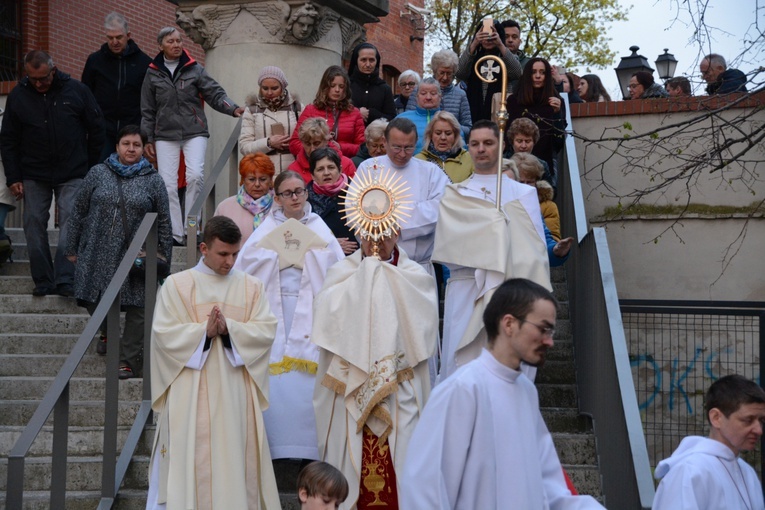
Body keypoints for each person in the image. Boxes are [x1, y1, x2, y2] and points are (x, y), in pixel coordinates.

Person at [401, 278, 604, 509]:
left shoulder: (526, 391)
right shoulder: (462, 390)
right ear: (509, 324)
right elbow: (425, 490)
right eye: (543, 328)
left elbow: (549, 487)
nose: (550, 341)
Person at [147, 215, 280, 509]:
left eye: (235, 253)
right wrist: (202, 333)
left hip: (236, 393)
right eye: (223, 254)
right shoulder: (177, 285)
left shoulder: (252, 286)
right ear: (204, 248)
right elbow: (163, 335)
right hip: (190, 392)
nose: (230, 261)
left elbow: (266, 330)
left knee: (235, 457)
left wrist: (230, 329)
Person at [432, 120, 571, 382]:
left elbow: (533, 252)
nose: (481, 149)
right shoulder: (454, 194)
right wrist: (495, 236)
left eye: (488, 143)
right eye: (475, 144)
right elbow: (451, 251)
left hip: (511, 292)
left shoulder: (523, 195)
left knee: (509, 371)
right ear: (468, 147)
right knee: (462, 371)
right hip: (467, 291)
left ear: (502, 145)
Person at [313, 227, 439, 509]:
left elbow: (424, 326)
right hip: (351, 387)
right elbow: (324, 318)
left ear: (398, 232)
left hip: (399, 389)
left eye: (385, 234)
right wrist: (364, 279)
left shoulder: (415, 276)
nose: (377, 242)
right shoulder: (341, 272)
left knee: (404, 463)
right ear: (358, 233)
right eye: (370, 234)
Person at [234, 171, 344, 461]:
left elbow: (338, 268)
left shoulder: (318, 225)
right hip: (275, 308)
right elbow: (247, 265)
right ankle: (275, 447)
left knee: (308, 386)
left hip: (312, 311)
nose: (294, 198)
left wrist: (308, 257)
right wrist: (277, 258)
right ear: (277, 197)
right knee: (278, 385)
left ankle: (310, 449)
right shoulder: (268, 226)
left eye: (299, 191)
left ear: (307, 192)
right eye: (287, 193)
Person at [65, 124, 171, 378]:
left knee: (138, 308)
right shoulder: (97, 173)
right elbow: (78, 210)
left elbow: (164, 221)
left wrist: (163, 257)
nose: (131, 149)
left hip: (136, 255)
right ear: (117, 147)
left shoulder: (154, 180)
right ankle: (108, 333)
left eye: (136, 145)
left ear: (144, 149)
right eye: (126, 144)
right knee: (93, 299)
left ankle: (128, 361)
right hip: (96, 251)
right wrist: (72, 247)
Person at [0, 50, 104, 297]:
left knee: (72, 222)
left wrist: (91, 169)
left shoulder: (77, 91)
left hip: (74, 170)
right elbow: (8, 140)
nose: (38, 83)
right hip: (33, 172)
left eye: (43, 78)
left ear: (53, 71)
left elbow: (97, 130)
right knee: (33, 222)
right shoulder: (18, 95)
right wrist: (13, 177)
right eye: (32, 78)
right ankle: (43, 280)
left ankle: (66, 277)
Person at [141, 27, 244, 246]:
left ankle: (192, 228)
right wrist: (148, 139)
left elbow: (215, 93)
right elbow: (147, 109)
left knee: (195, 175)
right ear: (161, 46)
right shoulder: (152, 73)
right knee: (167, 185)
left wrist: (233, 108)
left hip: (194, 131)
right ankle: (176, 234)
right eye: (171, 41)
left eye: (179, 40)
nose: (177, 44)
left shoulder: (194, 69)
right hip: (164, 134)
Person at [653, 374, 765, 510]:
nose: (759, 430)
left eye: (761, 420)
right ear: (716, 418)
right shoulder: (690, 471)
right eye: (748, 420)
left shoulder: (747, 472)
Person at [355, 117, 448, 274]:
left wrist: (391, 218)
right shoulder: (368, 168)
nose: (403, 154)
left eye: (409, 148)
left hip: (419, 266)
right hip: (378, 264)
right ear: (385, 142)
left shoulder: (430, 171)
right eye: (397, 147)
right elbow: (354, 209)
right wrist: (413, 210)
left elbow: (440, 208)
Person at [82, 12, 152, 162]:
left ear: (128, 35)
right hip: (102, 130)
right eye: (110, 38)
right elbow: (85, 95)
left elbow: (149, 98)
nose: (114, 42)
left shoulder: (144, 63)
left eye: (119, 37)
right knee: (102, 173)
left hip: (132, 130)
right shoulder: (95, 61)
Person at [505, 58, 566, 188]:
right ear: (528, 75)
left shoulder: (556, 101)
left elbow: (559, 141)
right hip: (515, 165)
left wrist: (556, 113)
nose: (538, 76)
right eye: (533, 72)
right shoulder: (513, 101)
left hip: (544, 166)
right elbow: (507, 137)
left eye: (542, 72)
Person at [290, 65, 365, 159]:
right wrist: (316, 149)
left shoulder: (354, 113)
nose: (337, 90)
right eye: (332, 86)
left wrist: (341, 147)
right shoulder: (311, 110)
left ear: (346, 89)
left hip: (344, 164)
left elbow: (363, 148)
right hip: (314, 166)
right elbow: (294, 143)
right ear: (325, 87)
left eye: (341, 86)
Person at [239, 66, 303, 174]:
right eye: (265, 88)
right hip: (263, 173)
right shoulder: (251, 110)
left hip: (292, 173)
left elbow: (306, 141)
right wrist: (268, 143)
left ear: (283, 87)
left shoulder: (297, 108)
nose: (269, 93)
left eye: (274, 88)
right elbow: (245, 147)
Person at [456, 20, 523, 123]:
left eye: (491, 35)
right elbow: (460, 72)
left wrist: (500, 44)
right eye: (484, 35)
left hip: (498, 111)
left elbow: (517, 73)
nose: (488, 39)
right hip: (473, 111)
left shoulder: (506, 57)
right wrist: (474, 43)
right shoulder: (472, 57)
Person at [407, 50, 472, 137]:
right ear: (434, 71)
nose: (445, 77)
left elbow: (468, 128)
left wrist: (451, 128)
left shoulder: (460, 95)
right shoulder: (418, 90)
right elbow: (407, 122)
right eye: (442, 73)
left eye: (449, 73)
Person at [214, 152, 275, 243]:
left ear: (270, 180)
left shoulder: (281, 206)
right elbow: (215, 243)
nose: (257, 184)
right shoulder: (225, 207)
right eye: (251, 179)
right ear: (243, 180)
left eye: (263, 179)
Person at [306, 148, 357, 255]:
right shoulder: (305, 200)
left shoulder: (356, 192)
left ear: (340, 169)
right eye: (320, 169)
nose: (326, 173)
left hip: (357, 258)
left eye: (331, 167)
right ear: (312, 175)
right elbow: (302, 237)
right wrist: (331, 244)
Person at [288, 117, 356, 183]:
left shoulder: (346, 164)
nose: (312, 149)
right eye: (308, 144)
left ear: (326, 141)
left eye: (316, 143)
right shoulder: (293, 170)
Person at [415, 111, 474, 184]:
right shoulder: (418, 161)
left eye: (448, 133)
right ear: (430, 135)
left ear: (455, 135)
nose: (443, 137)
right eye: (438, 133)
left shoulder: (469, 159)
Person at [514, 152, 561, 240]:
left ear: (536, 181)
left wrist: (557, 249)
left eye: (529, 182)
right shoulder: (503, 202)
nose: (525, 186)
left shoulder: (548, 207)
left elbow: (552, 239)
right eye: (521, 182)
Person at [348, 43, 396, 125]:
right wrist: (357, 112)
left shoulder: (384, 88)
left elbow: (392, 119)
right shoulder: (346, 85)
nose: (368, 64)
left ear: (376, 61)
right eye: (363, 60)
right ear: (356, 61)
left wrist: (373, 114)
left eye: (371, 60)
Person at [396, 77, 442, 154]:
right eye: (423, 93)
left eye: (433, 93)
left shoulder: (448, 120)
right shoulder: (401, 119)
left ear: (440, 97)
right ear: (417, 97)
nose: (428, 97)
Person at [504, 117, 552, 183]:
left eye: (527, 141)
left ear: (534, 142)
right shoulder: (503, 162)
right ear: (512, 141)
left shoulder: (542, 165)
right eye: (519, 141)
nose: (523, 146)